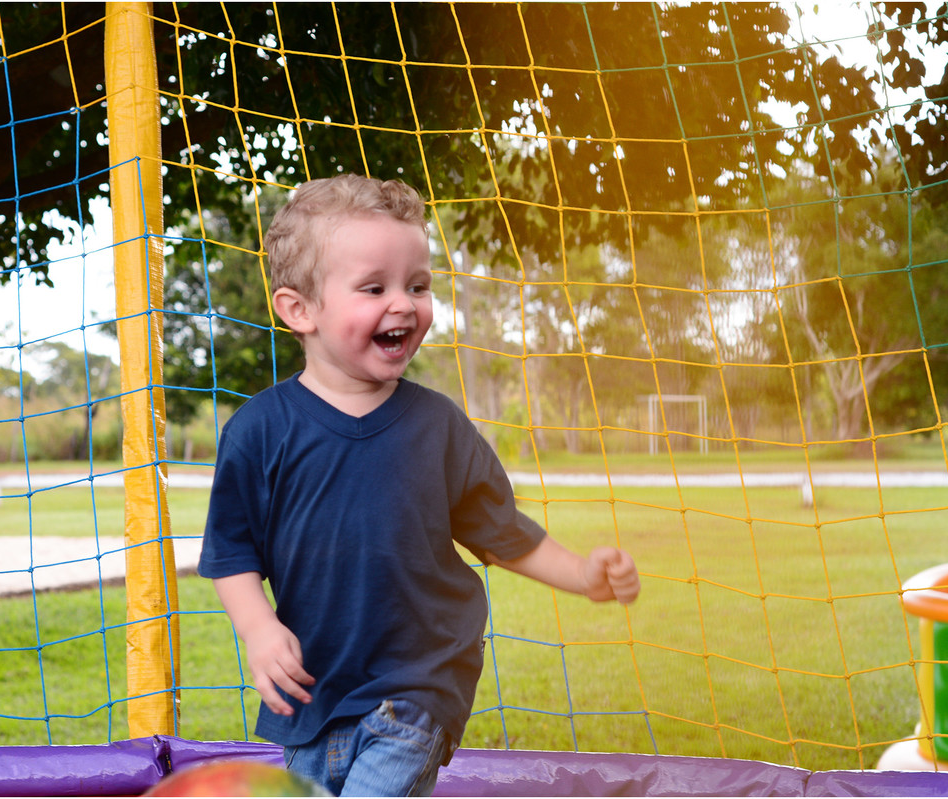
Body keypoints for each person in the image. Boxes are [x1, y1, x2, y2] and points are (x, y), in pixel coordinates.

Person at [197, 174, 640, 796]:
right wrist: (259, 629)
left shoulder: (438, 427)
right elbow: (231, 552)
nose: (404, 303)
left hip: (418, 685)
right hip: (312, 694)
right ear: (300, 309)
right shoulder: (258, 432)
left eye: (418, 285)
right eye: (374, 288)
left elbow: (500, 533)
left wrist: (582, 574)